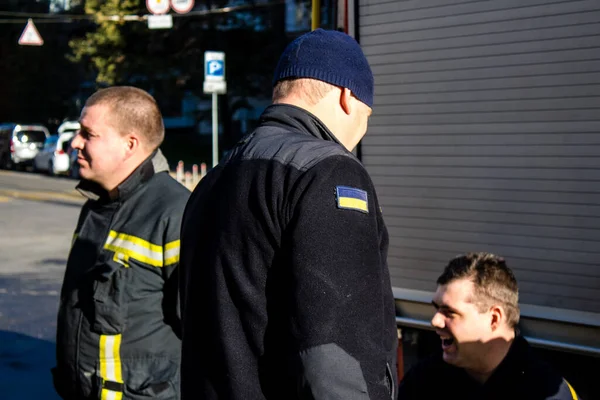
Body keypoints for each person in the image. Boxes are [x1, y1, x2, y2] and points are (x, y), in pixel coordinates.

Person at [179, 29, 397, 399]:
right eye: (367, 114)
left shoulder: (212, 181)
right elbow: (338, 352)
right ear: (347, 96)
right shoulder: (328, 171)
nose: (363, 129)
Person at [52, 86, 190, 400]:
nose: (75, 143)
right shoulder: (97, 205)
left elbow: (205, 331)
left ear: (130, 145)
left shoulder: (175, 213)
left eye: (88, 134)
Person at [397, 252, 581, 400]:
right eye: (437, 309)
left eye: (449, 312)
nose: (435, 321)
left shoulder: (548, 391)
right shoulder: (424, 380)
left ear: (494, 319)